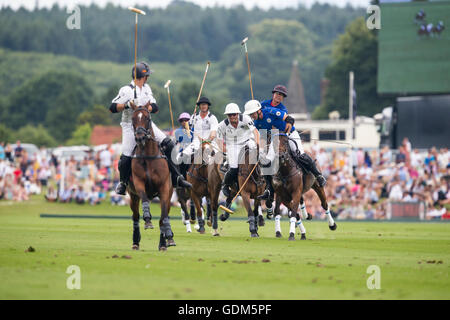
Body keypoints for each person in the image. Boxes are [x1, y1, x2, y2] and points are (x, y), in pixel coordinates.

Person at [109, 61, 191, 195]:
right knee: (126, 156)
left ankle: (177, 177)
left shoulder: (146, 89)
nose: (148, 78)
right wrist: (127, 106)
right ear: (143, 76)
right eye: (147, 75)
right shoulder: (127, 90)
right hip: (130, 126)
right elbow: (112, 107)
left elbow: (155, 107)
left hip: (147, 124)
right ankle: (123, 183)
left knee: (169, 144)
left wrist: (146, 108)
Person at [243, 100, 326, 200]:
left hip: (289, 133)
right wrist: (261, 149)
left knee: (299, 154)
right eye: (250, 114)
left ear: (258, 111)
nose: (251, 116)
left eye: (252, 114)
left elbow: (289, 118)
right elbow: (261, 136)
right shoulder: (256, 123)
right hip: (275, 139)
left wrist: (289, 124)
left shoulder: (270, 111)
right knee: (266, 161)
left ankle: (318, 176)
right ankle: (269, 190)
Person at [216, 103, 261, 197]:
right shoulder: (222, 125)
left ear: (238, 114)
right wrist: (225, 151)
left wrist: (257, 145)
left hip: (247, 141)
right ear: (227, 115)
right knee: (234, 167)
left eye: (234, 114)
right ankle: (226, 184)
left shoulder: (245, 119)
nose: (232, 117)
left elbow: (255, 132)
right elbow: (219, 141)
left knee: (261, 157)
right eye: (230, 115)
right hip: (233, 145)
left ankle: (266, 182)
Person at [177, 97, 218, 169]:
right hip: (196, 143)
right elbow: (188, 129)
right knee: (181, 158)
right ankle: (182, 178)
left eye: (205, 104)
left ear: (208, 106)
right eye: (202, 104)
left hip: (209, 143)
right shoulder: (194, 117)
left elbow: (213, 133)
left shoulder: (212, 118)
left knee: (220, 160)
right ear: (199, 106)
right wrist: (189, 123)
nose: (203, 106)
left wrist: (207, 141)